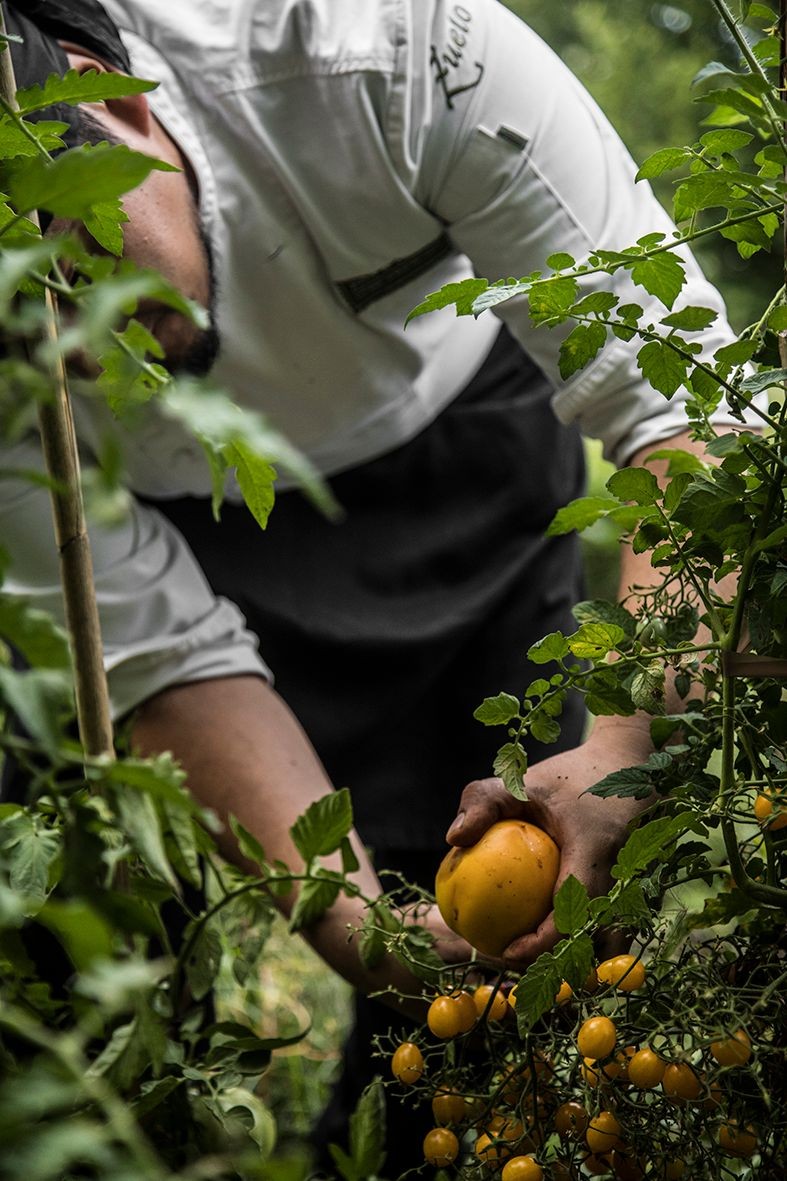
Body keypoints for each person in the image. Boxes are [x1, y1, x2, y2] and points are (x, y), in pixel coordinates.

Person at [0, 0, 757, 1170]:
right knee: (403, 980)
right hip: (207, 535)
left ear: (116, 107)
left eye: (74, 259)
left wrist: (621, 740)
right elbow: (160, 657)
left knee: (546, 887)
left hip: (471, 448)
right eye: (21, 315)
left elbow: (676, 421)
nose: (78, 346)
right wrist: (372, 938)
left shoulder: (384, 49)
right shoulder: (18, 403)